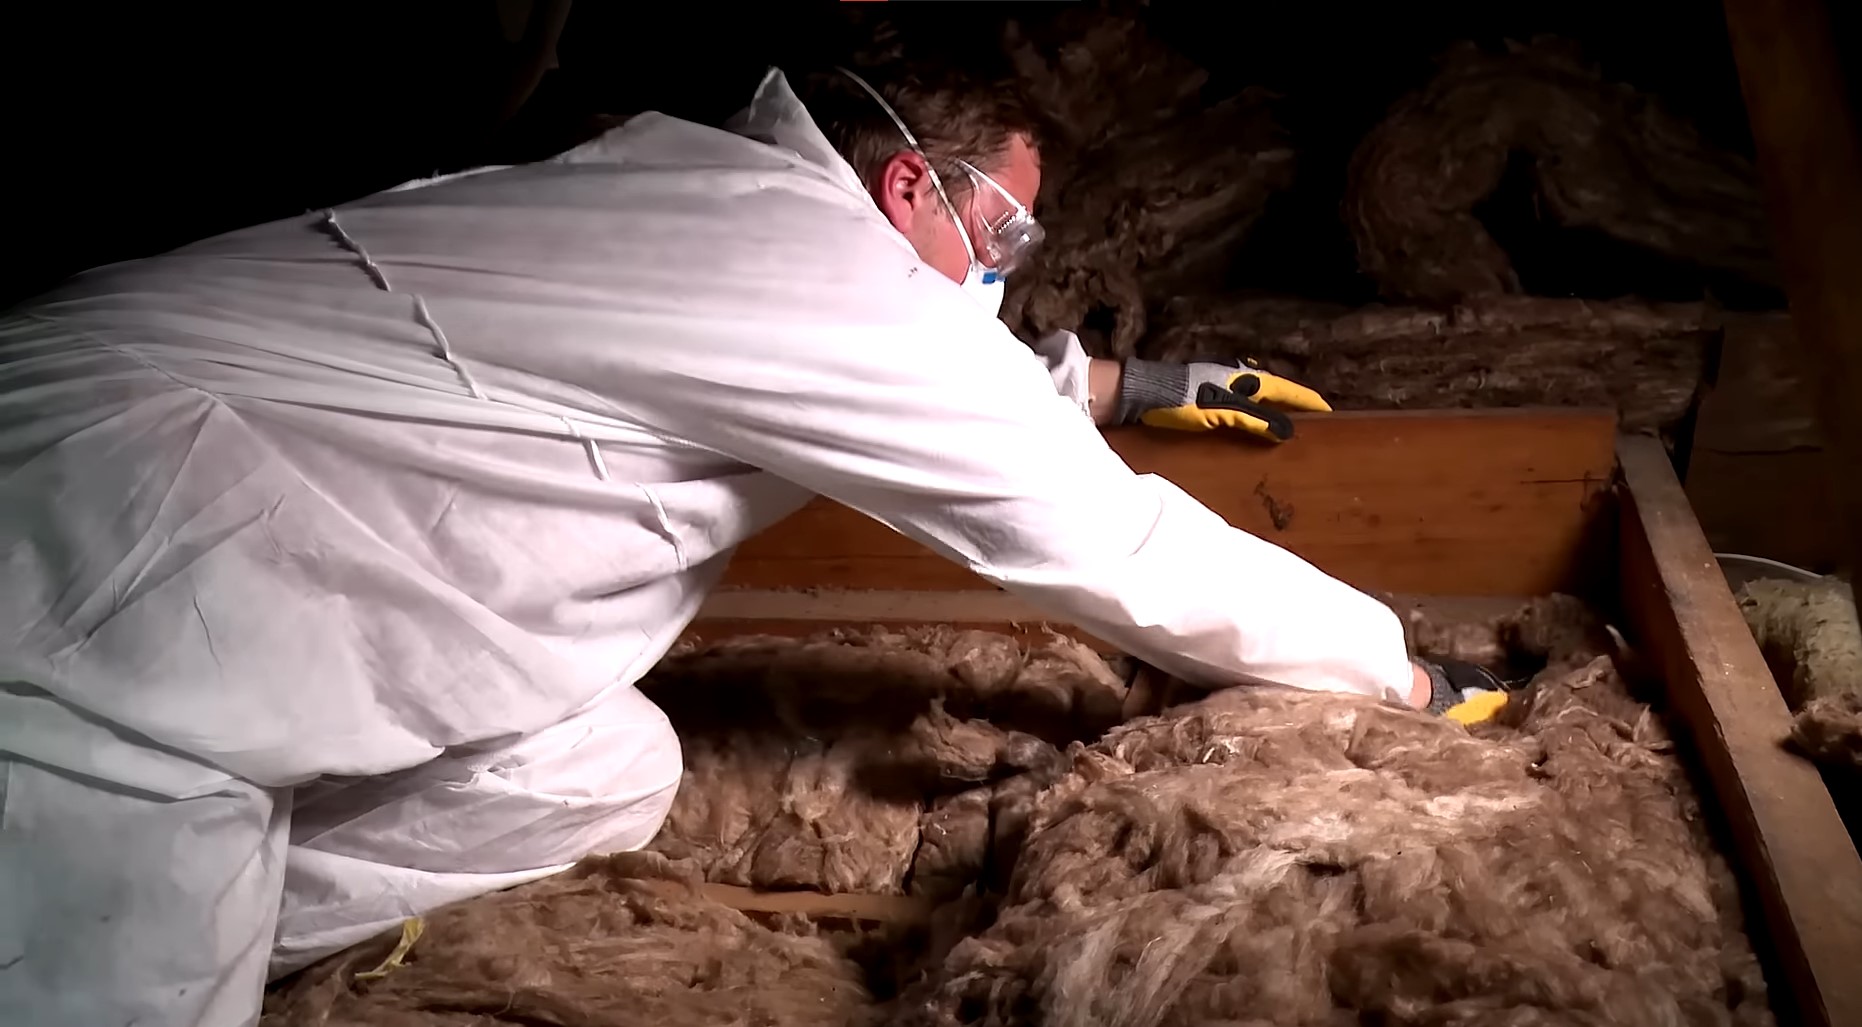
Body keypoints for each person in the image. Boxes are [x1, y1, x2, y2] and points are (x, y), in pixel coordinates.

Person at [0, 56, 1488, 1027]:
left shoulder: (709, 203)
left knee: (600, 775)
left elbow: (830, 355)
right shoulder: (814, 282)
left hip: (189, 482)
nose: (1002, 275)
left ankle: (231, 894)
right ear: (912, 182)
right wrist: (1396, 675)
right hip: (98, 546)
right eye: (1007, 239)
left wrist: (1121, 384)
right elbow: (1113, 542)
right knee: (125, 970)